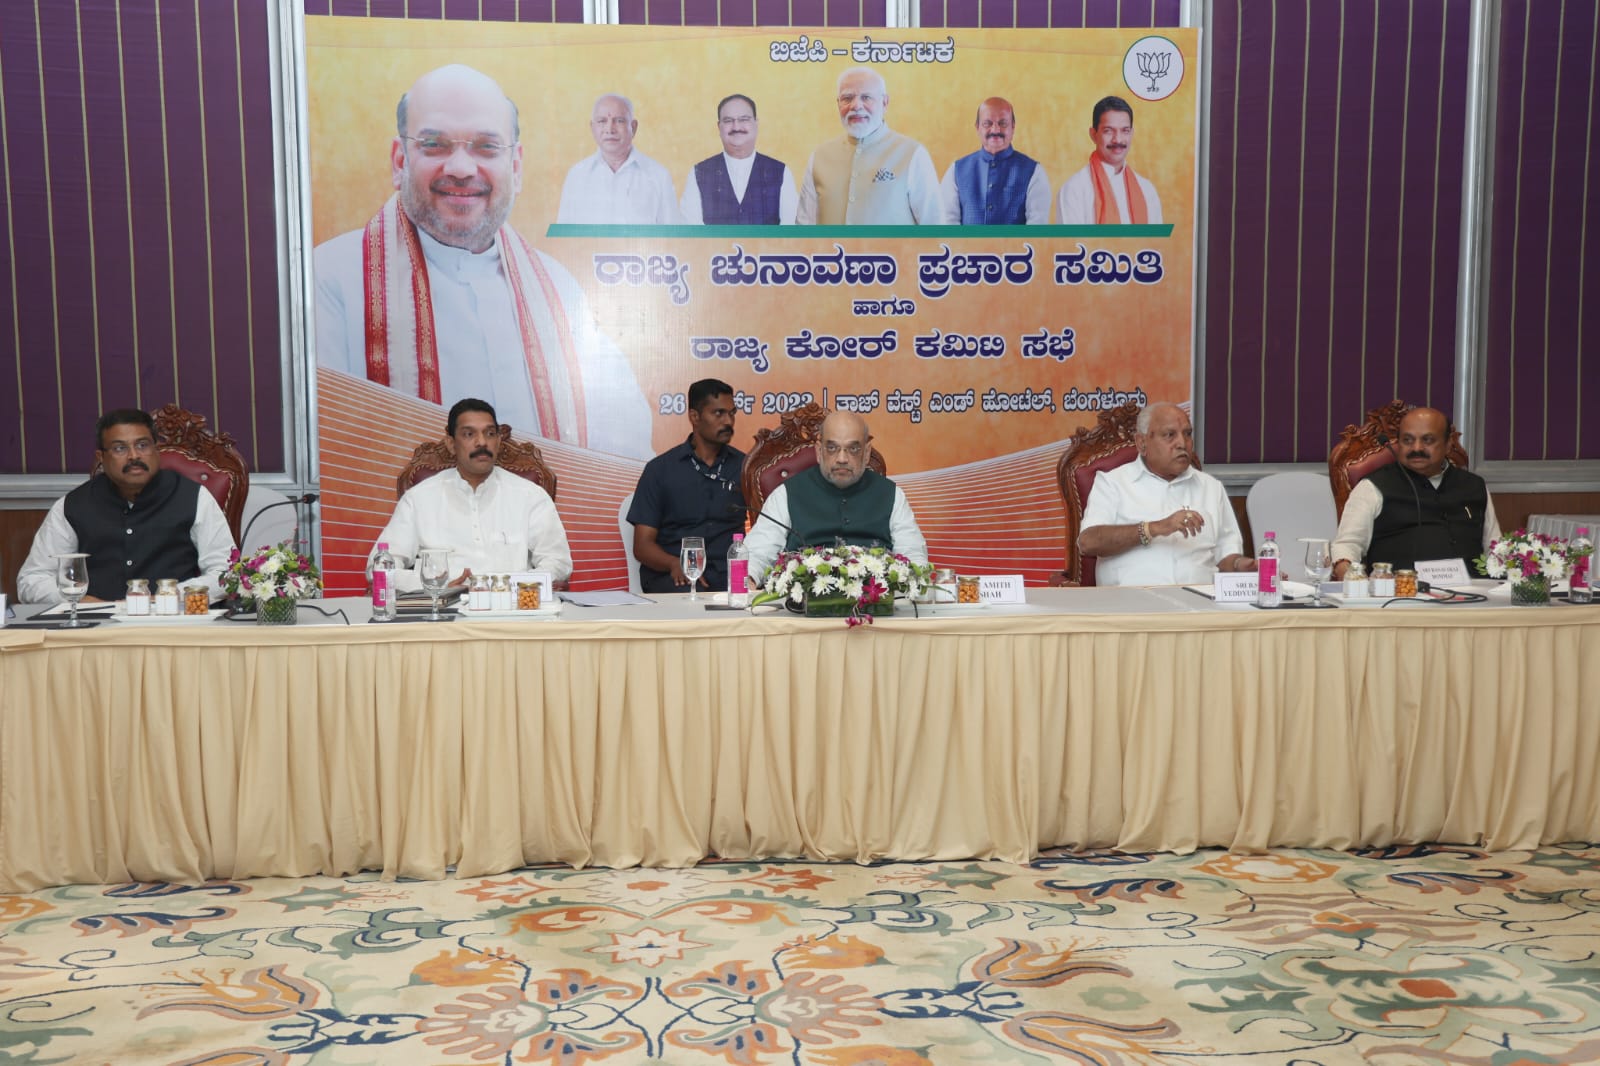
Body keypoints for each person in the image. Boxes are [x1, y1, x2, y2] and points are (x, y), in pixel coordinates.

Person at [314, 65, 651, 459]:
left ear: (516, 167)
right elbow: (331, 454)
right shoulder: (331, 280)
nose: (461, 169)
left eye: (487, 147)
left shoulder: (560, 291)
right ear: (400, 161)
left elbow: (625, 453)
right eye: (434, 144)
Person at [18, 408, 235, 603]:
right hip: (97, 625)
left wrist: (171, 596)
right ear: (101, 457)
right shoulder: (73, 505)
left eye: (142, 445)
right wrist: (81, 600)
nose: (134, 456)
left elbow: (226, 573)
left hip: (172, 620)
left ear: (156, 449)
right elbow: (32, 580)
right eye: (120, 448)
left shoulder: (194, 497)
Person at [370, 398, 572, 592]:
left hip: (511, 607)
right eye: (469, 434)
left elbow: (558, 562)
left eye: (490, 433)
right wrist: (433, 585)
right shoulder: (419, 498)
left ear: (498, 441)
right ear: (451, 444)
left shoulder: (530, 495)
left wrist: (511, 586)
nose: (481, 442)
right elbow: (378, 568)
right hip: (442, 609)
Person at [1077, 403, 1254, 585]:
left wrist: (1240, 565)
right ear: (1142, 443)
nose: (1182, 443)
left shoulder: (1211, 487)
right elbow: (1088, 542)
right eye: (1170, 435)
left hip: (1199, 600)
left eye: (1187, 434)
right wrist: (1155, 528)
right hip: (1132, 600)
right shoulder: (1112, 483)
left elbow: (1225, 555)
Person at [744, 410, 928, 579]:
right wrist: (749, 579)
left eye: (853, 449)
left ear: (866, 453)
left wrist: (914, 580)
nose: (842, 459)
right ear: (819, 451)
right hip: (804, 598)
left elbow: (912, 553)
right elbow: (758, 553)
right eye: (832, 448)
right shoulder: (786, 494)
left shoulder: (891, 494)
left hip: (877, 598)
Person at [1331, 407, 1499, 578]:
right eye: (1407, 440)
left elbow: (1495, 549)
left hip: (1475, 589)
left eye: (1428, 440)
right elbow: (1347, 546)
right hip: (1401, 590)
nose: (1416, 448)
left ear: (1448, 444)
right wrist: (1354, 580)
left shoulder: (1474, 486)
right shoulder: (1372, 487)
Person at [627, 379, 747, 593]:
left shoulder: (745, 467)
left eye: (732, 413)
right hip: (675, 576)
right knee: (689, 597)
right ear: (694, 416)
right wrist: (673, 563)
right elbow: (642, 546)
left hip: (729, 575)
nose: (728, 421)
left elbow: (766, 530)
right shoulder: (660, 470)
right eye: (718, 413)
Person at [796, 67, 941, 226]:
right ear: (838, 104)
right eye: (847, 98)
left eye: (866, 97)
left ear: (885, 103)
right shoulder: (820, 156)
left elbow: (935, 227)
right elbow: (803, 228)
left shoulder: (912, 154)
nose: (856, 106)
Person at [556, 94, 681, 225]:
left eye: (619, 121)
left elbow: (673, 235)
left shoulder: (658, 176)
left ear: (633, 127)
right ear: (592, 127)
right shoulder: (577, 176)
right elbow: (563, 235)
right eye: (602, 121)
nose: (610, 129)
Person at [680, 94, 798, 225]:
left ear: (756, 124)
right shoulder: (699, 173)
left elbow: (791, 231)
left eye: (744, 119)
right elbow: (691, 232)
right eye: (728, 120)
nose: (736, 127)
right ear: (719, 127)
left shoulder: (780, 172)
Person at [938, 97, 1051, 225]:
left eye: (1003, 123)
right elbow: (948, 225)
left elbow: (1037, 229)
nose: (995, 130)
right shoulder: (956, 171)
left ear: (1013, 127)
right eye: (987, 124)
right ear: (977, 127)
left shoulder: (1034, 172)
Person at [1057, 95, 1164, 226]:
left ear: (1131, 133)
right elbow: (1070, 240)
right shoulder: (1075, 189)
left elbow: (1157, 239)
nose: (1117, 139)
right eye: (1108, 131)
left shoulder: (1147, 190)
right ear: (1093, 134)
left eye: (1125, 131)